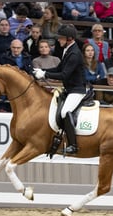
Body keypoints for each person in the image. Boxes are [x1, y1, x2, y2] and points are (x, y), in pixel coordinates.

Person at [33, 25, 86, 154]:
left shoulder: (74, 54)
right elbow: (58, 69)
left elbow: (64, 75)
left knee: (65, 112)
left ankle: (73, 145)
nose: (59, 40)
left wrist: (45, 75)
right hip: (69, 89)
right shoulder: (67, 50)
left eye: (61, 38)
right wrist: (42, 71)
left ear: (69, 38)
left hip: (76, 90)